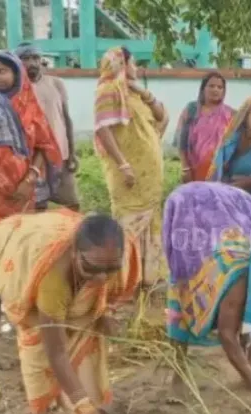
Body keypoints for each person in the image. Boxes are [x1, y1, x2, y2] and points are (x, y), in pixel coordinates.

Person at [0, 211, 141, 414]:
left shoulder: (117, 255)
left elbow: (108, 288)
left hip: (66, 259)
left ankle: (71, 400)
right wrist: (85, 408)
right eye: (92, 268)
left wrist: (103, 312)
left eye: (111, 269)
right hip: (20, 254)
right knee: (38, 348)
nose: (101, 278)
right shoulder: (53, 278)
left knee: (86, 330)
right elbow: (55, 351)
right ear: (74, 253)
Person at [163, 182, 251, 399]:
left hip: (229, 204)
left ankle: (250, 366)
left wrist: (250, 372)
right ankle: (177, 375)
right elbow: (227, 335)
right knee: (184, 288)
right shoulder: (239, 280)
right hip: (190, 208)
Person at [0, 50, 63, 309]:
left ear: (16, 71)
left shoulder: (30, 104)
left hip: (20, 188)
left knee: (19, 236)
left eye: (2, 71)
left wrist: (31, 178)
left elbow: (42, 146)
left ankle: (16, 289)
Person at [94, 46, 169, 288]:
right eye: (133, 63)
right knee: (129, 221)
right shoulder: (107, 91)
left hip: (149, 175)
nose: (135, 68)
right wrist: (123, 164)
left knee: (151, 220)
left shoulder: (135, 93)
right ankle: (125, 280)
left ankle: (148, 276)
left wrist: (142, 90)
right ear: (121, 65)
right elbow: (103, 129)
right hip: (127, 172)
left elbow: (161, 116)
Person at [15, 43, 80, 212]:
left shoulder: (56, 84)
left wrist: (72, 152)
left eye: (35, 58)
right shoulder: (15, 89)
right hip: (32, 159)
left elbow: (66, 119)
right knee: (38, 207)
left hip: (61, 155)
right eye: (26, 59)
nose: (32, 63)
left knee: (71, 204)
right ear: (17, 62)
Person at [174, 72, 235, 182]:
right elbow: (181, 140)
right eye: (211, 86)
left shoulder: (231, 114)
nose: (215, 90)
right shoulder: (191, 110)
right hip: (194, 170)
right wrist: (185, 167)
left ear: (224, 91)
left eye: (220, 87)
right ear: (203, 89)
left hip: (222, 172)